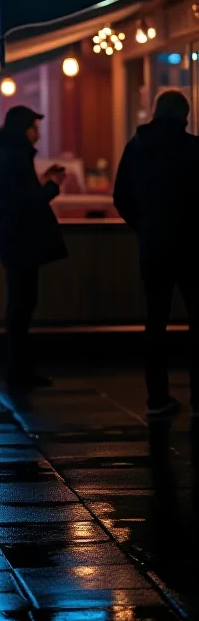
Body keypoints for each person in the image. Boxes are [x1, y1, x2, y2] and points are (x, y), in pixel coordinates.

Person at [113, 89, 199, 418]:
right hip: (193, 249)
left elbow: (121, 196)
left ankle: (157, 397)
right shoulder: (194, 149)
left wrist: (145, 226)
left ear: (155, 112)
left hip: (154, 247)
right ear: (185, 116)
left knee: (155, 322)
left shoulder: (137, 148)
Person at [0, 105, 67, 389]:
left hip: (12, 236)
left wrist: (42, 180)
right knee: (23, 304)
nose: (39, 133)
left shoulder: (6, 156)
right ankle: (19, 370)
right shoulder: (16, 157)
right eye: (35, 128)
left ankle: (18, 368)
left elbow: (19, 194)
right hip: (22, 238)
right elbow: (27, 200)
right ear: (24, 130)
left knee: (20, 303)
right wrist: (54, 186)